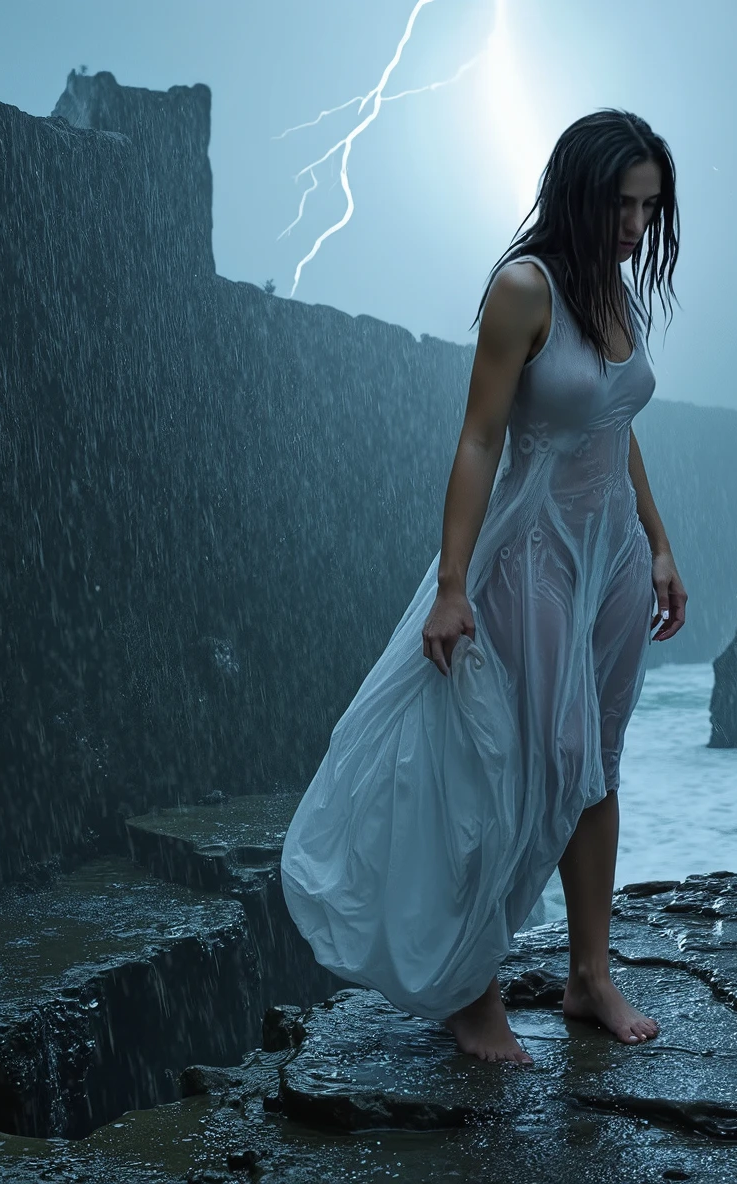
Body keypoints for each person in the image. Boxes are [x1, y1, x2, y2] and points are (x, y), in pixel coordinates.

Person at [281, 109, 688, 1064]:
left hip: (612, 559)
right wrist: (452, 584)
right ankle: (471, 991)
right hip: (533, 554)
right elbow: (479, 438)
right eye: (621, 205)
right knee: (515, 767)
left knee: (597, 767)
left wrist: (661, 546)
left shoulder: (616, 291)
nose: (635, 227)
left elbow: (616, 426)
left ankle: (589, 976)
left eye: (649, 209)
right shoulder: (524, 288)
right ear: (579, 192)